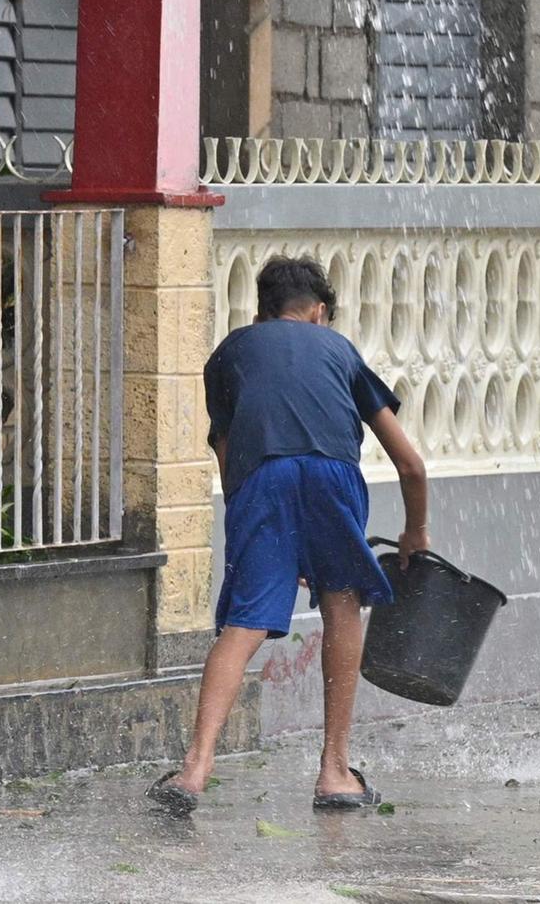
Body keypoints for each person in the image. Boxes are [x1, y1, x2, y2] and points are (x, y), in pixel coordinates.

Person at [151, 255, 430, 815]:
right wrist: (415, 530)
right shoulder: (340, 350)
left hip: (259, 482)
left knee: (244, 624)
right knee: (342, 603)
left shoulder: (231, 353)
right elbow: (410, 465)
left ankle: (195, 769)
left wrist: (266, 532)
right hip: (332, 474)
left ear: (262, 309)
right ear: (319, 312)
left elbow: (227, 453)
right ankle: (334, 772)